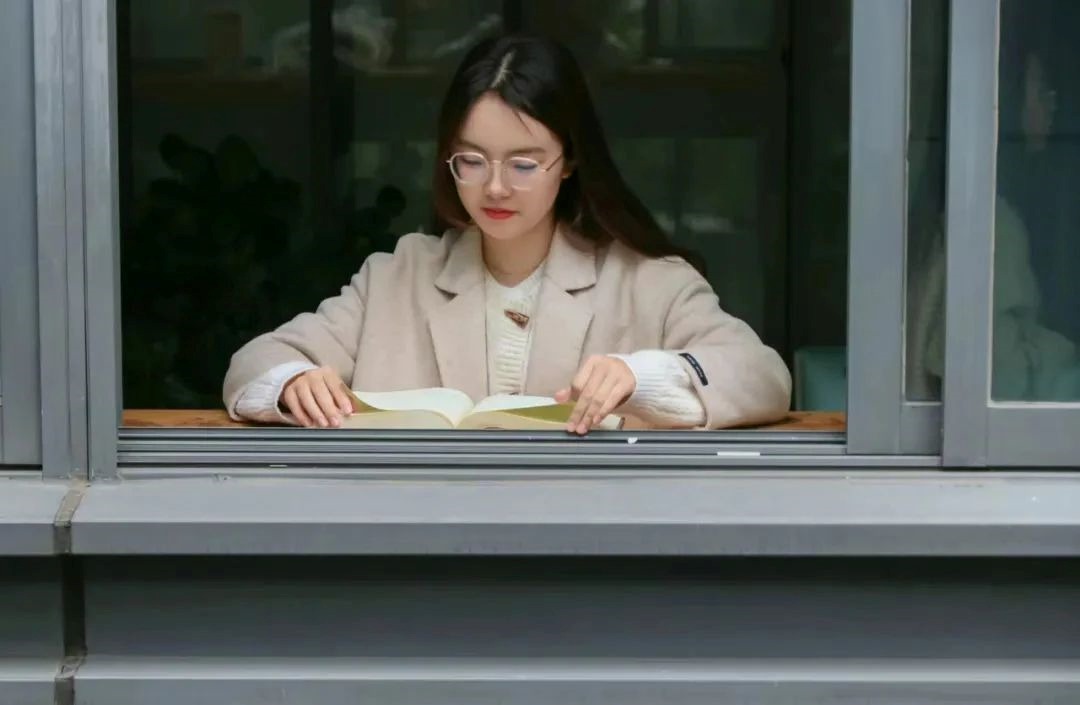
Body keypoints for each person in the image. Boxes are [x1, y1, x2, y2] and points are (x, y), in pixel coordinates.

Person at [223, 35, 791, 433]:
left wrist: (642, 376)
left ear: (568, 162)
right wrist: (293, 382)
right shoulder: (399, 276)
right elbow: (257, 361)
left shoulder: (647, 282)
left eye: (523, 164)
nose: (494, 188)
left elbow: (763, 376)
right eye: (471, 161)